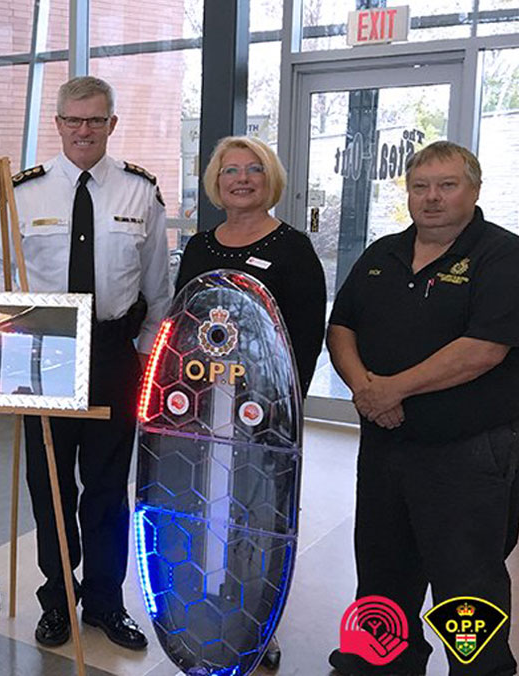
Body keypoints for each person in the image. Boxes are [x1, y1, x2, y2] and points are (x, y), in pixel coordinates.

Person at [0, 75, 171, 650]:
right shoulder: (23, 192)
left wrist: (142, 358)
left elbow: (158, 289)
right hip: (43, 353)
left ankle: (107, 603)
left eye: (94, 120)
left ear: (112, 124)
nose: (83, 130)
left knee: (109, 486)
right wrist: (10, 346)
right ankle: (59, 599)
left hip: (114, 353)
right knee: (49, 484)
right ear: (58, 123)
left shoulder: (140, 192)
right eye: (73, 119)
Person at [327, 141, 519, 676]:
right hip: (385, 447)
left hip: (465, 452)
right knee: (382, 569)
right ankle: (377, 662)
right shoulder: (382, 254)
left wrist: (394, 390)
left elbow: (482, 350)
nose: (431, 197)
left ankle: (481, 671)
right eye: (420, 187)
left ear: (473, 190)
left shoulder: (502, 256)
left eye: (446, 185)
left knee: (466, 581)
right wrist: (366, 388)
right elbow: (341, 327)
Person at [173, 136, 325, 670]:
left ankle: (258, 624)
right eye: (230, 170)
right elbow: (183, 322)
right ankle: (202, 608)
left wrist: (282, 409)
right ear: (216, 182)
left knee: (257, 517)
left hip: (264, 414)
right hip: (202, 409)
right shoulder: (200, 246)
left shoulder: (293, 248)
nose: (242, 179)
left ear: (270, 179)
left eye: (253, 169)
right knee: (203, 511)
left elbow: (306, 338)